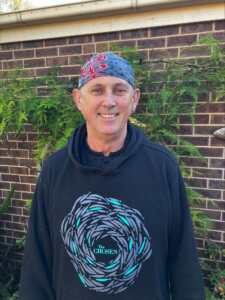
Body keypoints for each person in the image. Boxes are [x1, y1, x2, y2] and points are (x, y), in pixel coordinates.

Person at [19, 52, 205, 300]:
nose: (109, 101)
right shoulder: (55, 171)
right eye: (97, 90)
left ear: (134, 98)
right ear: (78, 99)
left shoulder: (162, 167)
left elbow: (184, 264)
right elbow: (37, 265)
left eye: (119, 90)